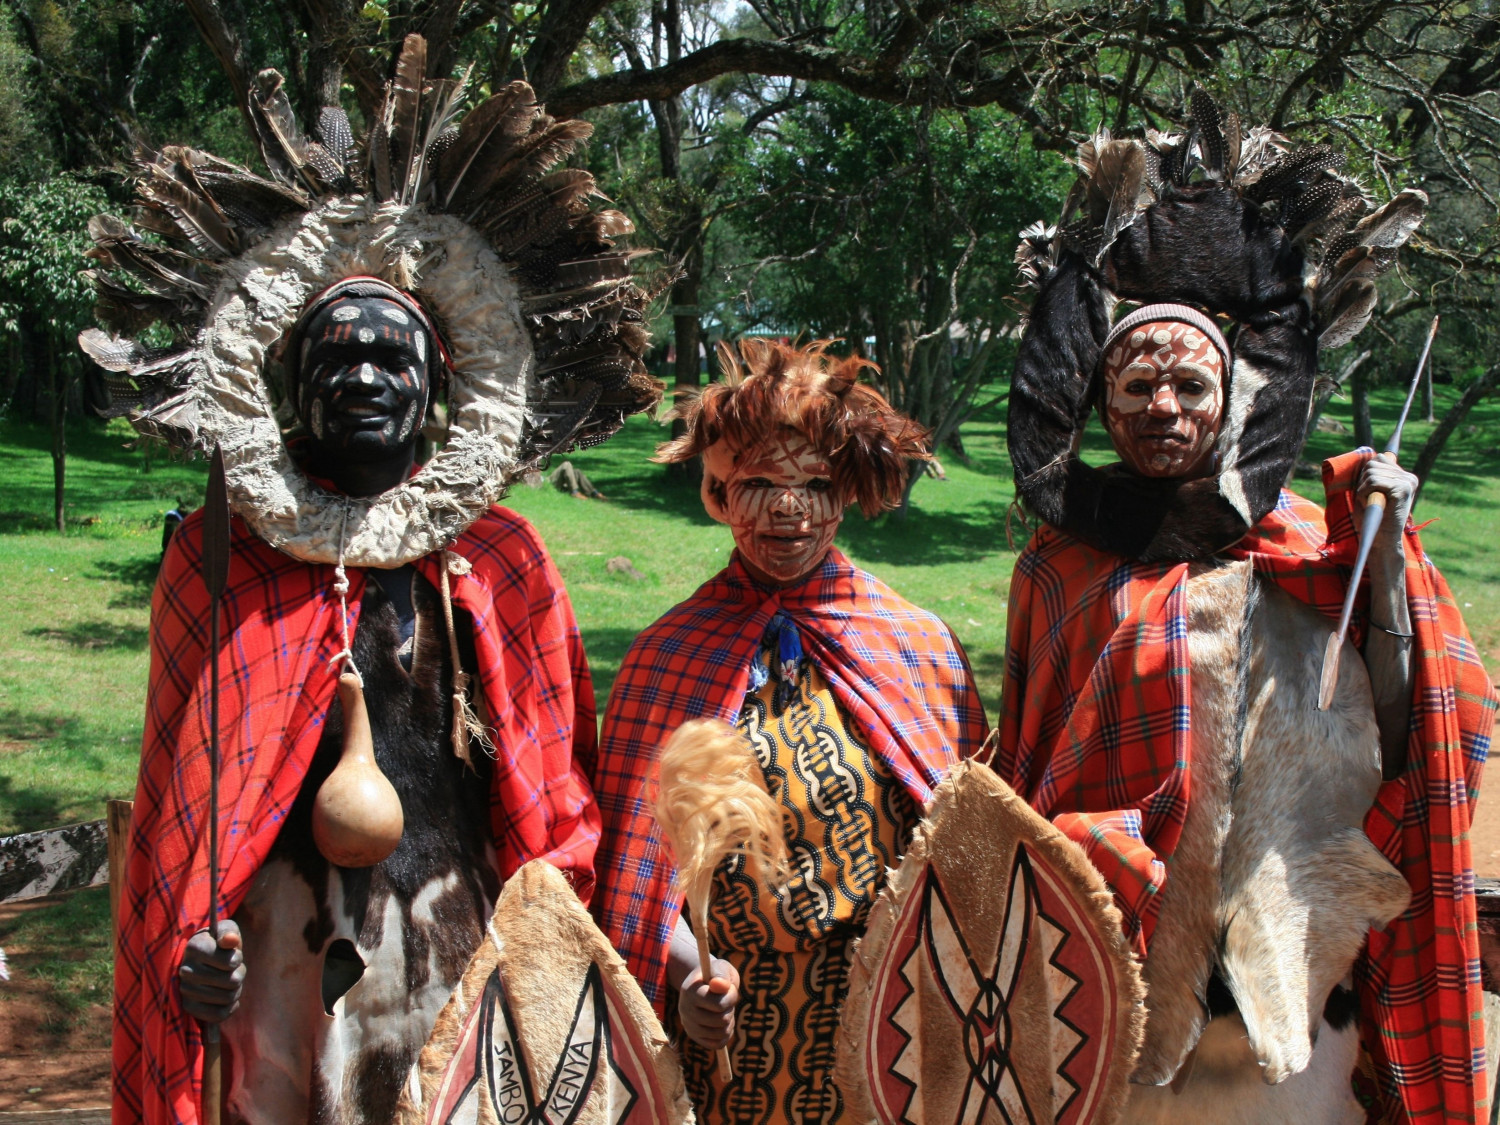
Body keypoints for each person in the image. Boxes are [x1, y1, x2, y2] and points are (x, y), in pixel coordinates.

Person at [84, 38, 660, 1125]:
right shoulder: (221, 563)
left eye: (392, 358)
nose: (363, 377)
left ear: (439, 389)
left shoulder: (502, 561)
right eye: (334, 356)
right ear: (293, 390)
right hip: (277, 953)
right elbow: (186, 805)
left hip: (456, 934)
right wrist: (192, 944)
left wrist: (549, 928)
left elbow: (554, 780)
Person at [1001, 98, 1496, 1122]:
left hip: (1294, 969)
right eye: (1136, 387)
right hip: (1114, 970)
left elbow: (1430, 730)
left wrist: (1388, 567)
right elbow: (1027, 760)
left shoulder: (1321, 548)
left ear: (1234, 403)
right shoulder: (1058, 571)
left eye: (1191, 385)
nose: (1164, 409)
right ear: (1098, 403)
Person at [590, 339, 990, 1124]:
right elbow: (629, 866)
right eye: (759, 484)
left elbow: (973, 841)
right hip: (730, 1056)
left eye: (814, 484)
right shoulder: (668, 655)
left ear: (845, 496)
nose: (787, 509)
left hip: (887, 1025)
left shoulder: (914, 642)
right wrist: (682, 970)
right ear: (715, 493)